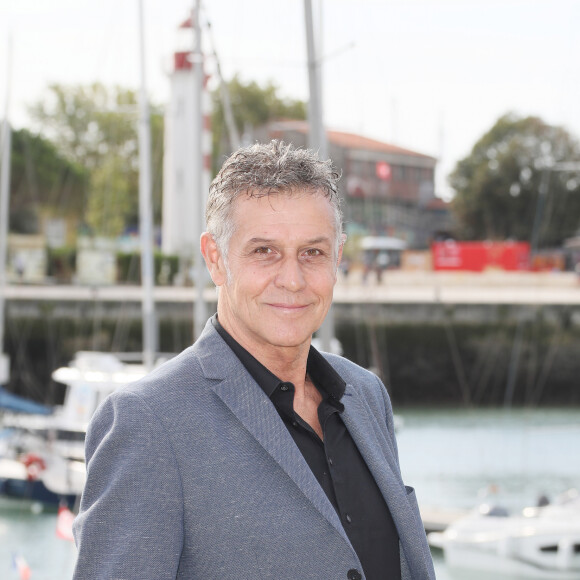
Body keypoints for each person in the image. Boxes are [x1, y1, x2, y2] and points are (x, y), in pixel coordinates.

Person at [73, 141, 435, 580]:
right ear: (215, 259)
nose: (293, 279)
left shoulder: (366, 396)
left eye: (312, 252)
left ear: (338, 257)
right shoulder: (148, 422)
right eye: (265, 251)